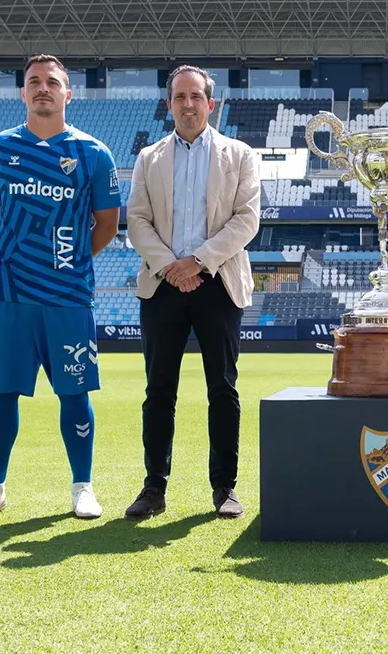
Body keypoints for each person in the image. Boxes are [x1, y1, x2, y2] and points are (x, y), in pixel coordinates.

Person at [0, 55, 121, 520]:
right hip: (9, 292)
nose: (43, 88)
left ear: (68, 94)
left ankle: (83, 487)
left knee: (75, 392)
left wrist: (65, 262)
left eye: (53, 82)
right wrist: (21, 255)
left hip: (68, 294)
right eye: (34, 82)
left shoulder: (93, 153)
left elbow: (107, 225)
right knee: (1, 391)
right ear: (23, 93)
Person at [122, 65, 260, 520]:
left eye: (195, 97)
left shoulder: (239, 155)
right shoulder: (149, 157)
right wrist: (171, 267)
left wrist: (197, 262)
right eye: (179, 97)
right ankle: (153, 488)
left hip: (218, 282)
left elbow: (246, 220)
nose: (187, 104)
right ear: (169, 104)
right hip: (163, 285)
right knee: (159, 390)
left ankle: (225, 488)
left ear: (210, 103)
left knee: (222, 388)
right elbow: (137, 220)